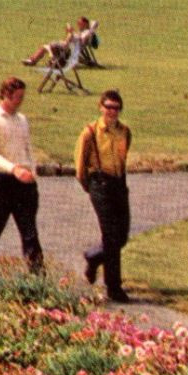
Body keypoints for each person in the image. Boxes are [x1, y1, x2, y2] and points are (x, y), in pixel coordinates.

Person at [0, 77, 43, 275]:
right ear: (6, 95)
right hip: (1, 180)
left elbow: (27, 149)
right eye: (17, 97)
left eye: (22, 97)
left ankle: (38, 277)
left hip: (24, 182)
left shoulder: (22, 120)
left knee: (29, 231)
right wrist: (14, 169)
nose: (20, 101)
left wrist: (33, 173)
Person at [76, 90, 133, 303]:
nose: (112, 112)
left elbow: (124, 157)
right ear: (100, 107)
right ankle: (114, 286)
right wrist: (90, 186)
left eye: (116, 108)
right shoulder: (90, 132)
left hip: (119, 183)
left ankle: (93, 257)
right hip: (99, 183)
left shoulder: (125, 132)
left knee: (121, 236)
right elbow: (80, 166)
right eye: (108, 107)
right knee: (110, 235)